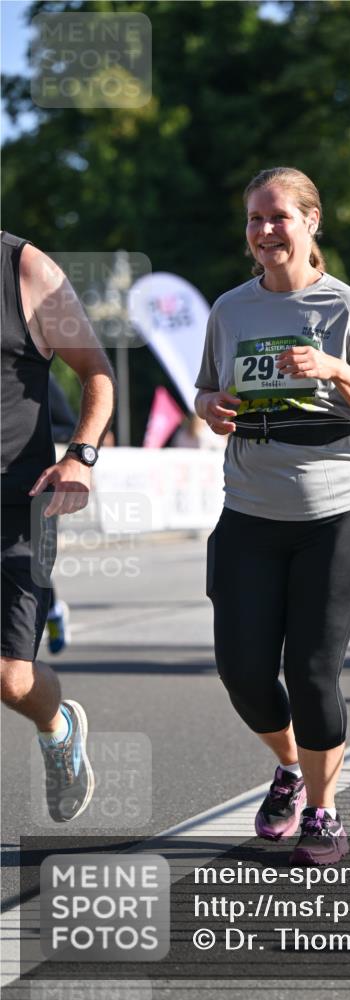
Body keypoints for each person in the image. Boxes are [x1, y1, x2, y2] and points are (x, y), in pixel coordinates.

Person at [195, 167, 350, 864]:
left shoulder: (346, 309)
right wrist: (210, 407)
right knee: (244, 671)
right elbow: (205, 391)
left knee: (312, 671)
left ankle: (322, 808)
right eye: (254, 218)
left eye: (278, 216)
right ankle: (290, 767)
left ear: (311, 222)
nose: (264, 231)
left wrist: (336, 370)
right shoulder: (230, 309)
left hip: (338, 518)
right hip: (250, 514)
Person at [1, 232, 116, 821]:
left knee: (9, 677)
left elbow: (97, 371)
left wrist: (81, 456)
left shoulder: (25, 270)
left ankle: (57, 726)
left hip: (17, 507)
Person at [46, 374, 78, 654]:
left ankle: (52, 610)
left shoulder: (35, 372)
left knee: (31, 563)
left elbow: (68, 426)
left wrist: (24, 431)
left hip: (33, 483)